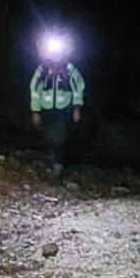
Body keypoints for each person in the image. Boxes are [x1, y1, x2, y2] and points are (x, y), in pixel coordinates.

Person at [28, 34, 86, 175]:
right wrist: (35, 111)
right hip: (46, 108)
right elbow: (34, 89)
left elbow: (79, 87)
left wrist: (77, 108)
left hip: (63, 108)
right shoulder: (42, 69)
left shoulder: (69, 69)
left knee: (60, 136)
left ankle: (59, 164)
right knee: (47, 135)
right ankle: (52, 156)